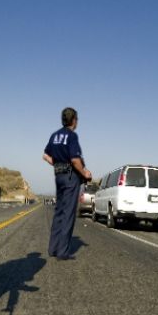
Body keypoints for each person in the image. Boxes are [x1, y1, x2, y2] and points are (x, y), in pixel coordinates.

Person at [43, 107, 92, 260]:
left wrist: (58, 164)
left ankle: (53, 248)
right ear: (73, 120)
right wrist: (85, 173)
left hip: (58, 176)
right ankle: (63, 252)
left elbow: (45, 155)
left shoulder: (55, 135)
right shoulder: (72, 136)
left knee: (59, 212)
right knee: (68, 213)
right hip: (71, 177)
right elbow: (75, 160)